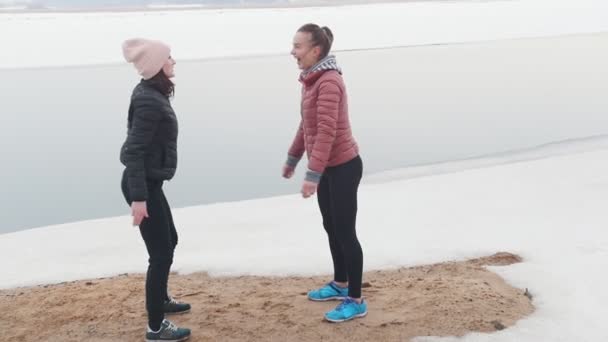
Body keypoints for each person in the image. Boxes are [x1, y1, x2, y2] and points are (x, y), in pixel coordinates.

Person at [283, 24, 367, 322]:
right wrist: (293, 158)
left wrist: (312, 173)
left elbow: (327, 132)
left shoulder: (329, 81)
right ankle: (340, 283)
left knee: (345, 231)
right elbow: (307, 126)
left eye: (297, 46)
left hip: (344, 166)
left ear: (315, 51)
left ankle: (355, 299)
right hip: (328, 168)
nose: (292, 52)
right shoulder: (310, 81)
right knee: (331, 226)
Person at [120, 38, 191, 341]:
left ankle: (160, 299)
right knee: (160, 253)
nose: (174, 61)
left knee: (169, 240)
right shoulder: (149, 99)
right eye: (169, 57)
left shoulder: (151, 93)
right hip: (143, 186)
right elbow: (132, 151)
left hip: (149, 183)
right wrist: (139, 199)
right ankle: (155, 327)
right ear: (157, 65)